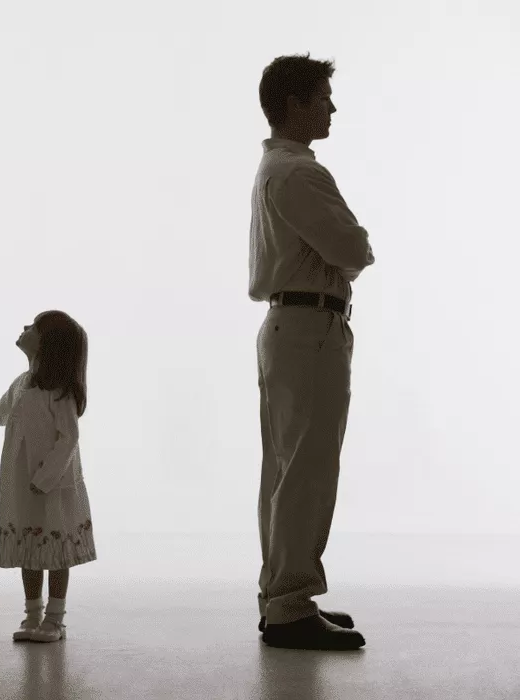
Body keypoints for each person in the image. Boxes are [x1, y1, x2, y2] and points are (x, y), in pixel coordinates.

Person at [250, 53, 375, 650]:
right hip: (310, 329)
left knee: (283, 469)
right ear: (296, 103)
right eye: (323, 96)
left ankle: (280, 598)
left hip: (288, 326)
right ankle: (291, 606)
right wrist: (357, 249)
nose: (331, 107)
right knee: (307, 471)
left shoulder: (276, 167)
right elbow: (353, 246)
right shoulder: (300, 173)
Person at [0, 310, 95, 643]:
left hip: (52, 486)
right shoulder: (22, 383)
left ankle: (55, 619)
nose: (24, 328)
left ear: (49, 342)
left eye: (34, 326)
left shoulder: (60, 391)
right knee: (30, 547)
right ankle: (32, 615)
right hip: (22, 483)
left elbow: (69, 437)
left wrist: (46, 477)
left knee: (56, 548)